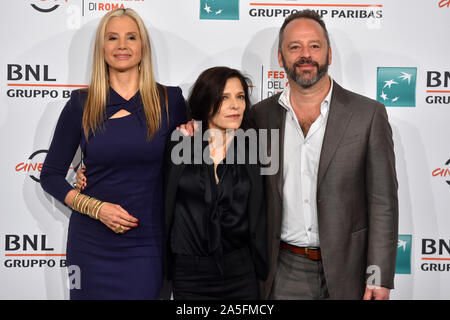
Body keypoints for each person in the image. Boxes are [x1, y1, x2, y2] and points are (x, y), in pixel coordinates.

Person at [180, 10, 398, 300]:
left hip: (351, 270)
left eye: (314, 46)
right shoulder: (258, 116)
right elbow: (220, 141)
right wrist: (193, 128)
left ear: (329, 54)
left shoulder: (367, 115)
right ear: (281, 58)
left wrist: (378, 277)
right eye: (294, 47)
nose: (305, 54)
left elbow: (383, 202)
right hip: (281, 269)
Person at [40, 8, 187, 299]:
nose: (122, 46)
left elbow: (190, 168)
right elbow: (51, 176)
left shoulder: (170, 101)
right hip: (90, 244)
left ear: (142, 46)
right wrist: (95, 207)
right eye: (112, 38)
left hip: (148, 243)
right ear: (101, 48)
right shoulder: (81, 104)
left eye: (131, 37)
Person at [163, 67, 267, 300]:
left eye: (240, 97)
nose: (235, 105)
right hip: (189, 274)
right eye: (224, 97)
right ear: (205, 101)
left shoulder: (255, 151)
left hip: (241, 273)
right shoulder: (180, 145)